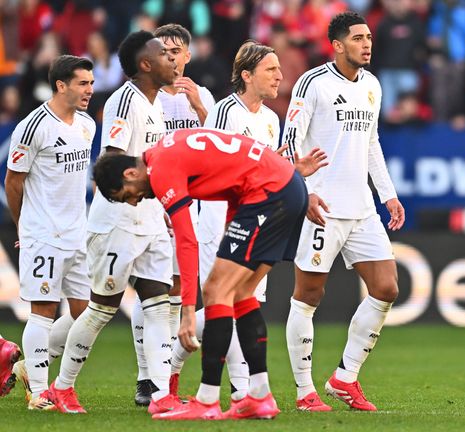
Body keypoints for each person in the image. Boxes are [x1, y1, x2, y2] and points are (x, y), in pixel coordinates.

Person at [91, 127, 327, 420]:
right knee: (240, 293)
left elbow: (186, 241)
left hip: (268, 193)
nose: (135, 201)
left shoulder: (161, 170)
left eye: (127, 196)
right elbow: (231, 180)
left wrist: (188, 311)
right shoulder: (168, 149)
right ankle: (259, 396)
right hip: (284, 187)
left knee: (216, 290)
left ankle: (207, 400)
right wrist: (234, 222)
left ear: (129, 175)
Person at [48, 31, 181, 415]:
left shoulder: (156, 105)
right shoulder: (127, 100)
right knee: (101, 308)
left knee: (159, 304)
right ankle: (62, 387)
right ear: (145, 64)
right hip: (119, 220)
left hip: (151, 217)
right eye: (163, 55)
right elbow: (111, 161)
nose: (172, 61)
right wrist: (144, 185)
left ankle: (160, 394)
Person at [282, 11, 405, 412]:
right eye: (357, 38)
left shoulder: (372, 84)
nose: (367, 44)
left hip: (362, 208)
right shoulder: (312, 83)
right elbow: (289, 144)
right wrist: (303, 194)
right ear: (336, 45)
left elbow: (371, 142)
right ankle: (304, 392)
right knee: (308, 296)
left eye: (368, 37)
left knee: (386, 288)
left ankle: (344, 377)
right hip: (321, 205)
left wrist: (388, 194)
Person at [168, 40, 283, 417]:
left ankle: (171, 364)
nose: (279, 76)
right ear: (246, 75)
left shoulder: (271, 119)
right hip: (219, 221)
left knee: (241, 303)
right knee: (229, 301)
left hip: (255, 220)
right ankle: (242, 389)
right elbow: (210, 163)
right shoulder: (224, 111)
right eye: (271, 69)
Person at [125, 22, 217, 405]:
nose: (172, 57)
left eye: (177, 50)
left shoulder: (203, 96)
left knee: (177, 290)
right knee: (153, 288)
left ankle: (161, 375)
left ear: (189, 56)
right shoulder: (147, 97)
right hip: (153, 202)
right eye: (165, 50)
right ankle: (148, 377)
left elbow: (216, 148)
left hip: (190, 205)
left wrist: (199, 107)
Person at [5, 55, 95, 410]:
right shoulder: (33, 126)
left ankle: (30, 367)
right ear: (61, 85)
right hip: (44, 233)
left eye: (90, 82)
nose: (90, 89)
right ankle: (40, 392)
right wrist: (24, 225)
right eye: (82, 83)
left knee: (85, 310)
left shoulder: (86, 125)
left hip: (77, 232)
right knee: (43, 308)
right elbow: (14, 180)